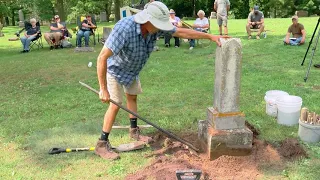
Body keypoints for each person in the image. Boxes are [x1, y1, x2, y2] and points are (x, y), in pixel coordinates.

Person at [95, 1, 221, 160]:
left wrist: (210, 36)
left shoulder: (153, 29)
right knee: (116, 103)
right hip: (115, 69)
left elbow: (182, 33)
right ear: (147, 20)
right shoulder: (124, 28)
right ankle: (101, 143)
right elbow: (102, 57)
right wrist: (103, 88)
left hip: (133, 70)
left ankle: (134, 131)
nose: (162, 27)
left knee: (132, 96)